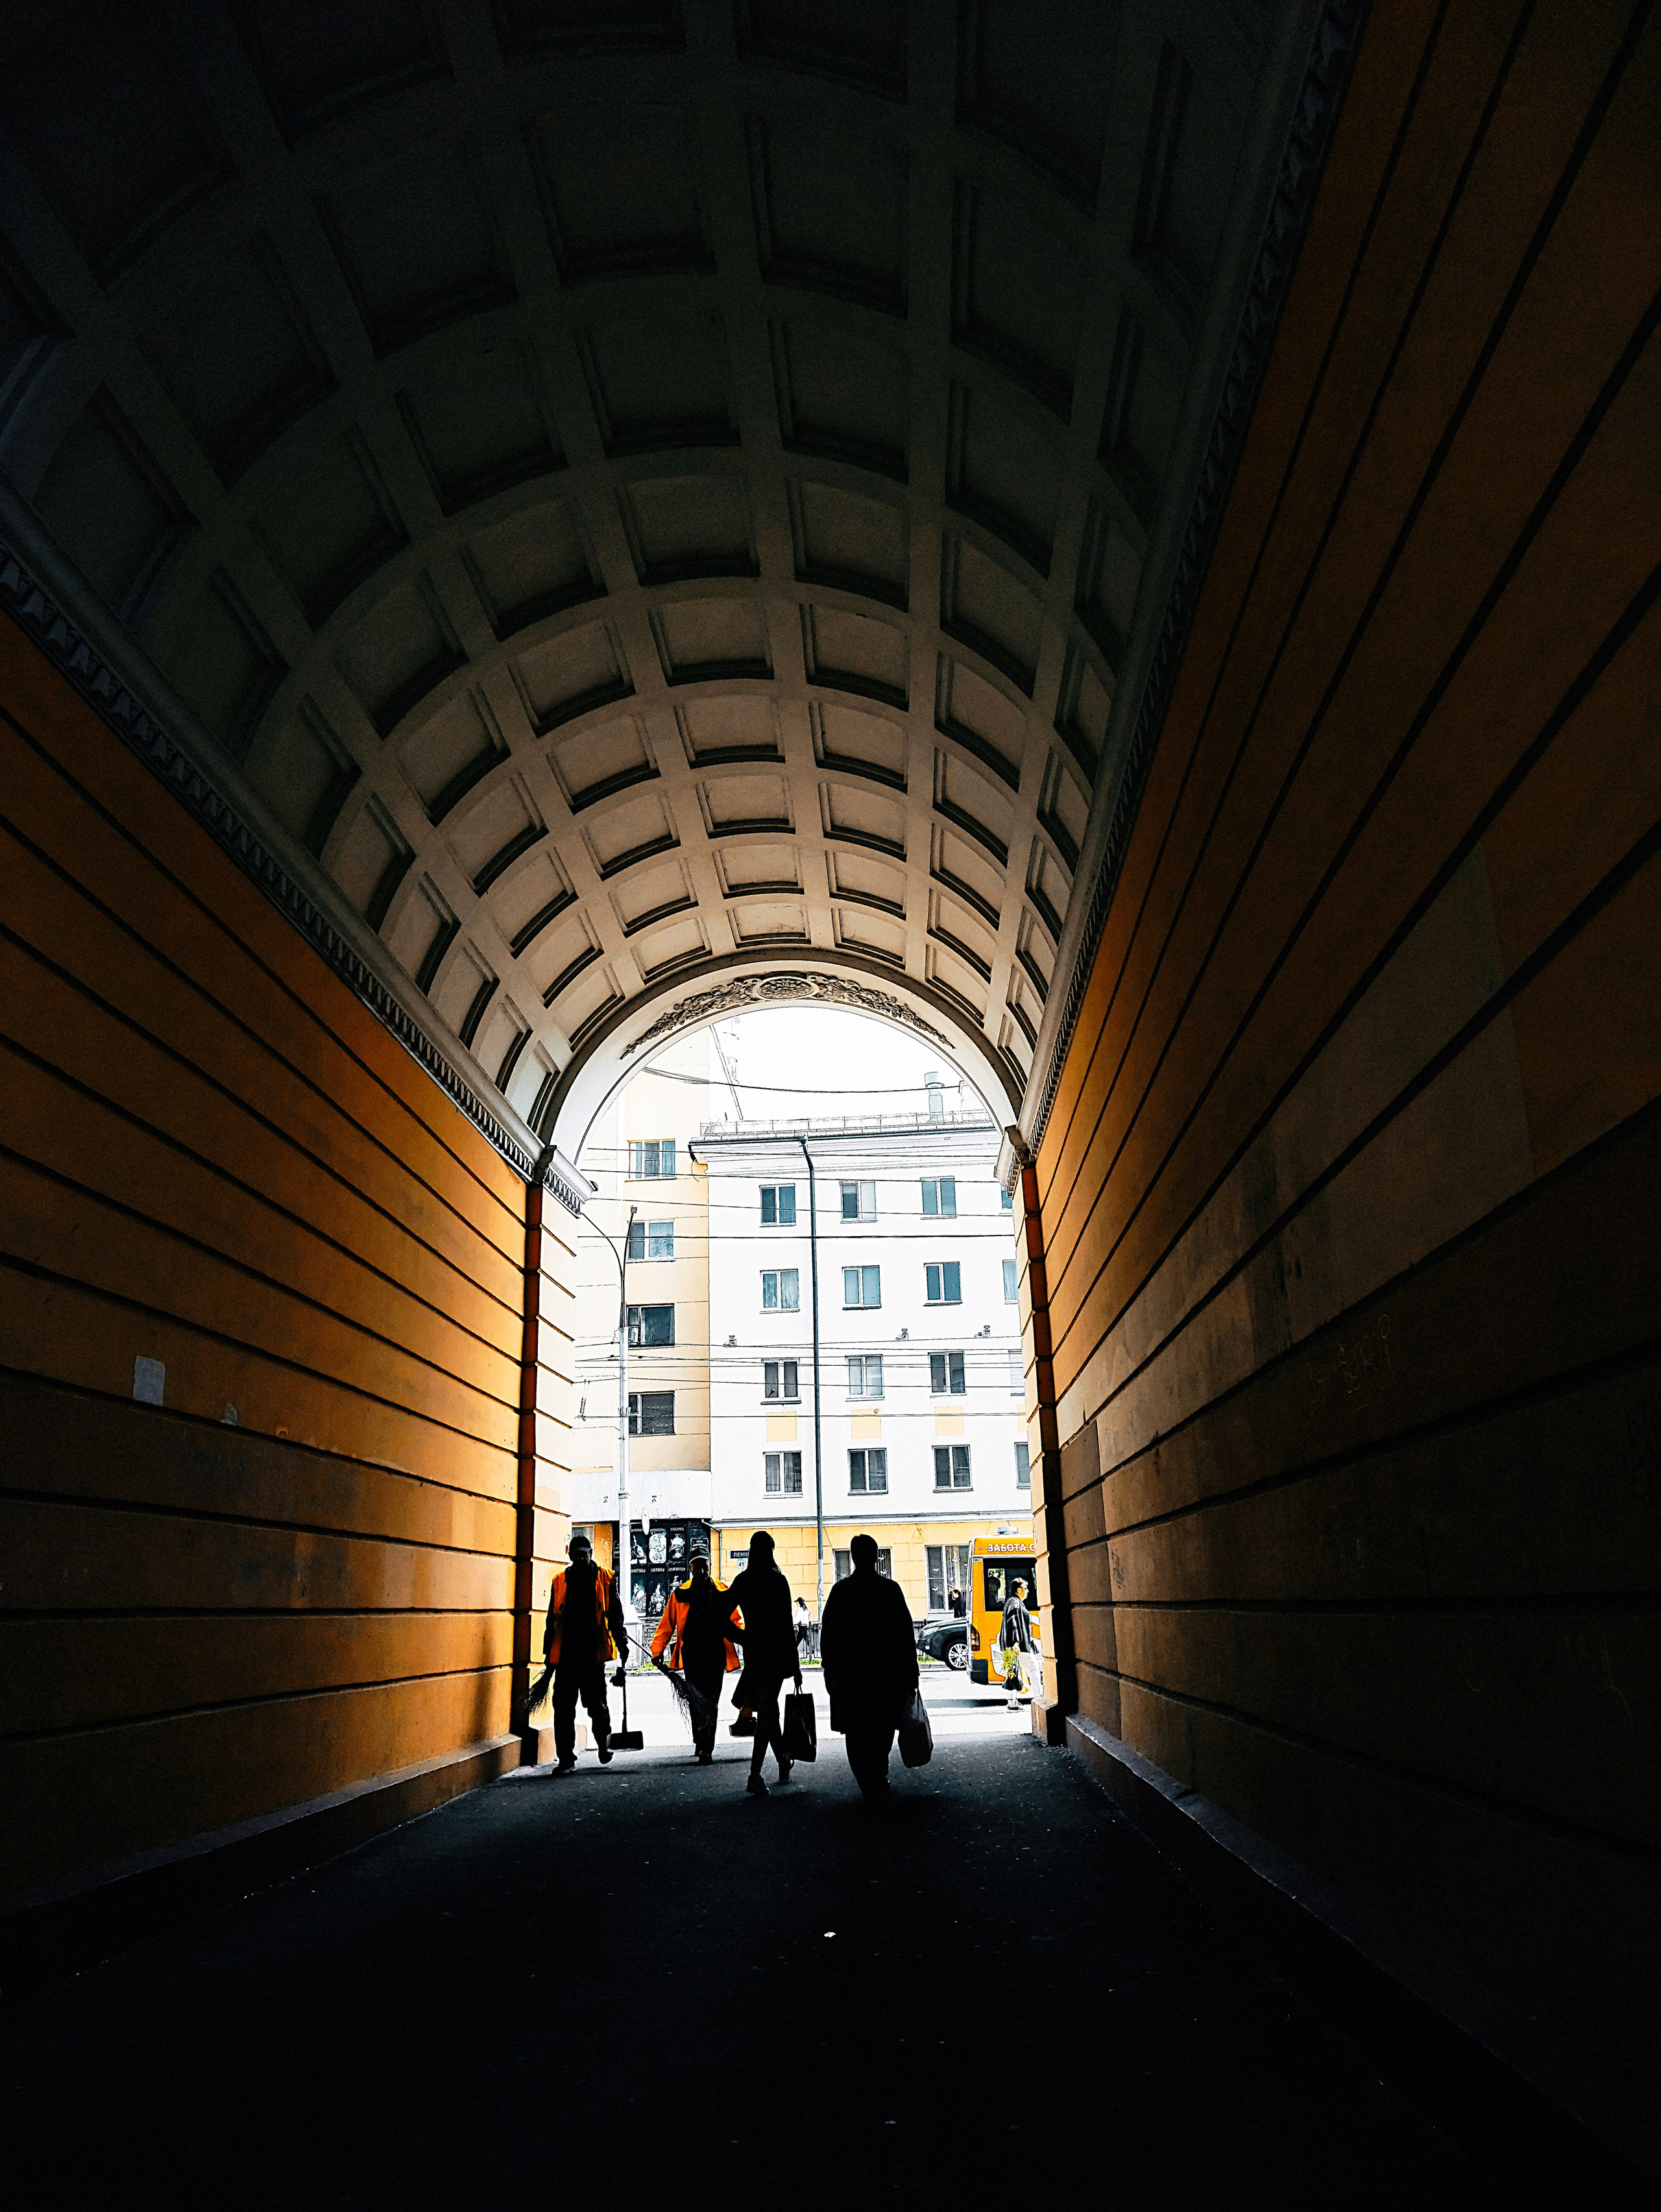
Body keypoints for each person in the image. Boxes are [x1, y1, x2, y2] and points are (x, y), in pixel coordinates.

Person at [819, 1533, 919, 1802]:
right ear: (876, 1556)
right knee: (883, 1725)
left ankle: (867, 1780)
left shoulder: (841, 1592)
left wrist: (829, 1669)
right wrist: (912, 1672)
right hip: (886, 1676)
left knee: (855, 1729)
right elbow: (905, 1634)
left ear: (853, 1557)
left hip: (850, 1676)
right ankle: (878, 1773)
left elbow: (827, 1636)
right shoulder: (890, 1590)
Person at [720, 1531, 802, 1797]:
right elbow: (787, 1626)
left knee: (768, 1710)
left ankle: (781, 1762)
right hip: (777, 1655)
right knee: (768, 1711)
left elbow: (720, 1617)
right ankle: (756, 1774)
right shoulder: (779, 1582)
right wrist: (796, 1666)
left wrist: (742, 1638)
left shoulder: (744, 1581)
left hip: (756, 1654)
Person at [542, 1531, 628, 1773]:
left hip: (591, 1656)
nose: (580, 1560)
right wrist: (549, 1656)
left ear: (590, 1554)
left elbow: (615, 1616)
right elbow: (552, 1621)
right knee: (563, 1708)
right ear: (570, 1556)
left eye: (584, 1555)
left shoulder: (604, 1579)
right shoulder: (560, 1581)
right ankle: (566, 1759)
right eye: (576, 1556)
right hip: (567, 1657)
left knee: (597, 1705)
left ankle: (604, 1744)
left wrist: (623, 1646)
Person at [650, 1549, 738, 1762]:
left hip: (716, 1655)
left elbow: (736, 1621)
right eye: (696, 1566)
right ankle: (700, 1741)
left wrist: (747, 1640)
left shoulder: (722, 1591)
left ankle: (707, 1747)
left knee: (711, 1702)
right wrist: (657, 1650)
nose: (701, 1570)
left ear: (709, 1566)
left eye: (704, 1565)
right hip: (692, 1656)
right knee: (694, 1700)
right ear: (690, 1568)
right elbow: (667, 1624)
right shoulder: (680, 1594)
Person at [1000, 1577, 1039, 1710]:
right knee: (1034, 1668)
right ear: (1018, 1590)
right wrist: (1016, 1643)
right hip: (1019, 1646)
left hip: (1012, 1645)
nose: (1027, 1591)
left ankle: (1012, 1703)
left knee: (1013, 1672)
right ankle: (1039, 1699)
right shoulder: (1015, 1604)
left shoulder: (1013, 1602)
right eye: (1025, 1588)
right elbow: (1013, 1625)